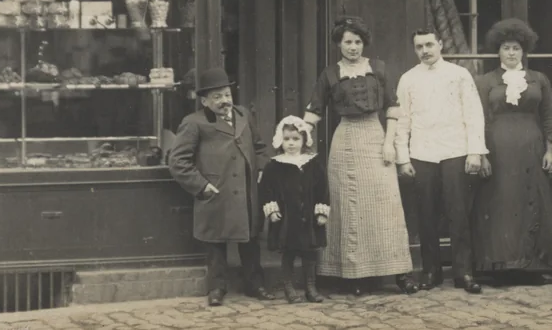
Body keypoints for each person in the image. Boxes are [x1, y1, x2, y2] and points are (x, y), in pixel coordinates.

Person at [302, 17, 418, 296]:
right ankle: (352, 276)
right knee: (346, 205)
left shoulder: (378, 69)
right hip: (344, 140)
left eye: (357, 42)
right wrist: (298, 133)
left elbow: (392, 108)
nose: (352, 47)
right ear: (339, 44)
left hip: (375, 137)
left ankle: (399, 273)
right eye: (347, 42)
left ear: (363, 43)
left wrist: (389, 143)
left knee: (384, 205)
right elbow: (314, 111)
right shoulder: (330, 74)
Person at [166, 67, 275, 306]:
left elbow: (259, 147)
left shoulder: (244, 114)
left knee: (250, 240)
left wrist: (260, 170)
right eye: (216, 97)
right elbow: (177, 161)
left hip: (246, 191)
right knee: (215, 243)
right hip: (216, 191)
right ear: (204, 101)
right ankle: (217, 288)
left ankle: (255, 284)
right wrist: (201, 186)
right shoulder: (194, 123)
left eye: (226, 94)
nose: (224, 101)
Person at [395, 28, 489, 294]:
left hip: (455, 150)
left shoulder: (459, 75)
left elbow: (473, 113)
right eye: (419, 47)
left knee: (458, 212)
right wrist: (403, 158)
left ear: (440, 45)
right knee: (426, 214)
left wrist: (474, 151)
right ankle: (431, 271)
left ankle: (464, 272)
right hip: (422, 152)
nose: (425, 51)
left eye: (429, 45)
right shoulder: (408, 79)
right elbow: (402, 120)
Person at [471, 18, 552, 284]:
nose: (511, 53)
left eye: (516, 49)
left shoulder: (538, 79)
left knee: (530, 201)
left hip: (532, 147)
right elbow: (479, 119)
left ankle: (531, 267)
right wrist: (482, 153)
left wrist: (551, 149)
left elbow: (549, 116)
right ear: (498, 51)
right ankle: (500, 267)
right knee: (501, 203)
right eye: (506, 48)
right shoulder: (485, 81)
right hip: (498, 148)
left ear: (524, 52)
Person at [259, 116, 330, 304]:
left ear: (304, 140)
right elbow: (267, 190)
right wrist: (272, 210)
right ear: (280, 139)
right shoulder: (274, 165)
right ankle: (289, 288)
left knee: (309, 253)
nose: (291, 143)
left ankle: (310, 287)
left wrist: (321, 211)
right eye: (287, 139)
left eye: (296, 139)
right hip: (287, 218)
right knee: (288, 254)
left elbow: (323, 188)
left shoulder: (312, 163)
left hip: (308, 217)